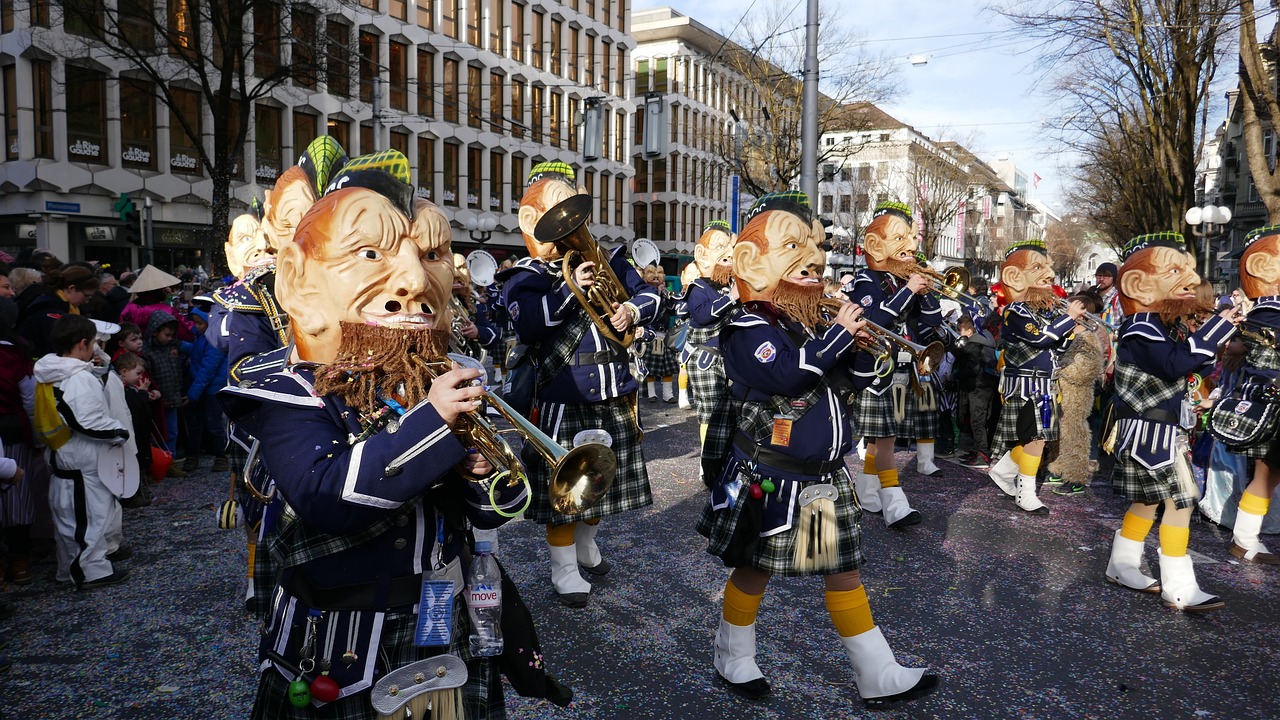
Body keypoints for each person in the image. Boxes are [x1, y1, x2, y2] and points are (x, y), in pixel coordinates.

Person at [218, 150, 535, 719]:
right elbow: (325, 497)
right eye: (369, 253)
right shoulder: (287, 387)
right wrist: (434, 426)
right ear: (299, 281)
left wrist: (479, 475)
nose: (416, 280)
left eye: (432, 255)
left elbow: (494, 515)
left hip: (442, 627)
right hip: (340, 642)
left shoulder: (442, 374)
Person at [697, 191, 939, 708]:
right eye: (794, 245)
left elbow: (847, 384)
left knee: (843, 571)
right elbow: (787, 374)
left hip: (822, 474)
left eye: (817, 245)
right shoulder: (745, 326)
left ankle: (876, 672)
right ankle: (732, 654)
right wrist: (836, 336)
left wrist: (864, 347)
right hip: (771, 474)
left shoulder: (807, 324)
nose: (815, 257)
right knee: (754, 567)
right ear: (749, 262)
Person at [500, 162, 661, 607]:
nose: (570, 226)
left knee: (604, 479)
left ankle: (587, 548)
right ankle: (563, 568)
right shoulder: (523, 276)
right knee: (566, 490)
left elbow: (651, 296)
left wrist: (633, 311)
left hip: (614, 390)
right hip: (564, 397)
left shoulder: (609, 259)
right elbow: (531, 326)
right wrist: (572, 288)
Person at [1102, 232, 1239, 611]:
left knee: (1147, 502)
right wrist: (1217, 329)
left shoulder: (1158, 326)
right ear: (1139, 285)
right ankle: (1179, 584)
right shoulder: (1141, 327)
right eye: (1176, 271)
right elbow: (1173, 364)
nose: (1193, 281)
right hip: (1150, 430)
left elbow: (1188, 364)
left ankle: (1123, 563)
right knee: (1183, 501)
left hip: (1162, 429)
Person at [849, 201, 939, 528]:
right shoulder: (865, 280)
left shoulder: (903, 282)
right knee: (885, 438)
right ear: (876, 246)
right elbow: (873, 321)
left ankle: (867, 492)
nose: (912, 245)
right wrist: (908, 291)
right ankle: (894, 502)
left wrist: (925, 289)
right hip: (876, 371)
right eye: (901, 238)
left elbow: (931, 323)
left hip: (901, 369)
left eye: (912, 238)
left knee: (879, 439)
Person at [985, 239, 1084, 514]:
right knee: (1035, 439)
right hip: (1026, 383)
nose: (1050, 275)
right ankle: (1025, 493)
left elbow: (1057, 347)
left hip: (1045, 383)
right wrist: (1066, 320)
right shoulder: (1015, 311)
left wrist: (1069, 329)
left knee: (1036, 438)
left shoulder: (1046, 312)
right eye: (1040, 268)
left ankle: (1004, 472)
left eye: (1049, 268)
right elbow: (1039, 339)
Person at [32, 315, 131, 589]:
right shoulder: (76, 378)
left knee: (71, 518)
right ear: (84, 343)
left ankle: (71, 570)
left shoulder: (50, 371)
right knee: (89, 517)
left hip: (62, 453)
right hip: (82, 455)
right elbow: (87, 420)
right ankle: (90, 572)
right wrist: (118, 432)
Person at [1220, 225, 1280, 564]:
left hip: (1268, 398)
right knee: (1266, 473)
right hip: (1272, 401)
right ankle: (1244, 540)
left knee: (1268, 474)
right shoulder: (1271, 308)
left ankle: (1245, 540)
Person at [683, 220, 740, 475]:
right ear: (701, 254)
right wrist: (731, 298)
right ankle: (707, 463)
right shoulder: (698, 287)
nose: (728, 254)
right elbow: (703, 315)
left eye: (731, 248)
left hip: (729, 359)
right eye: (721, 248)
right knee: (709, 412)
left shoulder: (727, 286)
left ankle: (725, 458)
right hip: (706, 359)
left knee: (731, 411)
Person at [0, 297, 50, 585]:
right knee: (17, 500)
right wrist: (38, 438)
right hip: (13, 432)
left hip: (11, 430)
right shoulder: (16, 357)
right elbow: (30, 401)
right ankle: (19, 561)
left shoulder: (15, 356)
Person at [17, 264, 100, 358]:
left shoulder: (59, 304)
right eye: (86, 296)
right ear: (71, 288)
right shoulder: (51, 310)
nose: (87, 301)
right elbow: (57, 347)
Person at [182, 307, 229, 473]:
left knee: (213, 424)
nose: (197, 326)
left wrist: (192, 395)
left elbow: (207, 369)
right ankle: (192, 456)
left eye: (200, 323)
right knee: (195, 424)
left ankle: (221, 456)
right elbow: (197, 351)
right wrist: (181, 346)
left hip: (212, 388)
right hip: (201, 386)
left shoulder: (215, 341)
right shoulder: (202, 336)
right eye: (195, 322)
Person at [140, 310, 187, 471]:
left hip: (172, 396)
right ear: (155, 331)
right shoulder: (147, 352)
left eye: (171, 335)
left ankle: (170, 461)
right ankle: (161, 462)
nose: (169, 338)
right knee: (160, 432)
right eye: (166, 335)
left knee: (172, 431)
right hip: (158, 399)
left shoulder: (172, 346)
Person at [955, 314, 998, 468]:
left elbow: (971, 369)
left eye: (959, 330)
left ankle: (982, 454)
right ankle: (978, 451)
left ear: (967, 331)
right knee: (979, 419)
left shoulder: (973, 345)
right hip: (985, 385)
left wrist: (954, 376)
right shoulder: (983, 341)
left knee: (977, 420)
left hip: (978, 386)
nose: (958, 333)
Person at [637, 264, 680, 403]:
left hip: (665, 335)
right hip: (651, 334)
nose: (656, 276)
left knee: (669, 368)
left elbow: (673, 310)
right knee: (651, 368)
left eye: (659, 273)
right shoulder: (644, 293)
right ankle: (652, 394)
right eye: (651, 273)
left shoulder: (665, 292)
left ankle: (668, 394)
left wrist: (665, 294)